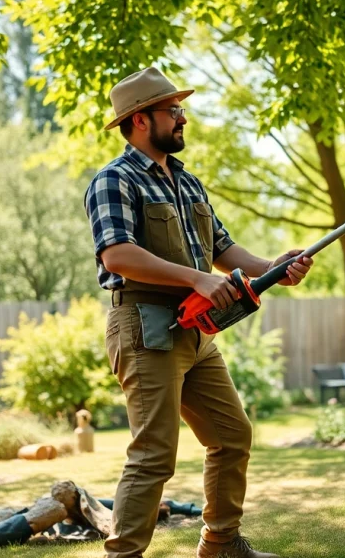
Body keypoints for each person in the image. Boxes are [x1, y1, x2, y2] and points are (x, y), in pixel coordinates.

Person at [84, 67, 312, 558]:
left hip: (195, 330)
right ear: (140, 120)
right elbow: (116, 254)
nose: (182, 117)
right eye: (173, 110)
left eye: (180, 109)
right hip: (144, 327)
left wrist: (275, 266)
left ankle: (220, 545)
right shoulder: (113, 180)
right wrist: (197, 279)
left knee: (232, 436)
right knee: (153, 455)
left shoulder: (187, 183)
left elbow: (224, 249)